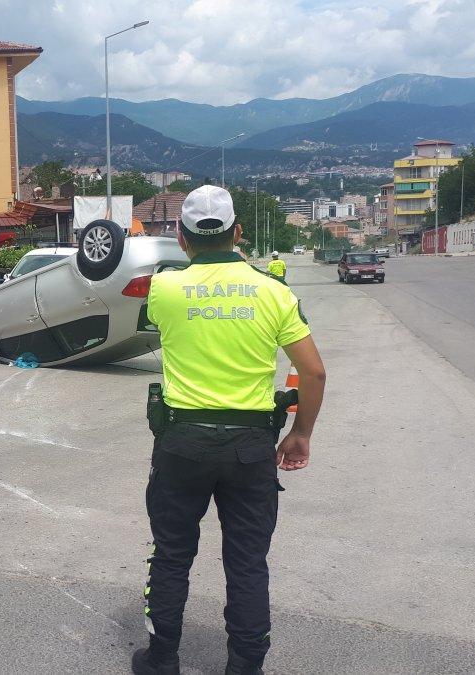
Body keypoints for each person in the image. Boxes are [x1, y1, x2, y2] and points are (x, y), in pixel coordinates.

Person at [133, 185, 327, 675]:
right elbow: (314, 371)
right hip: (250, 448)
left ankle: (161, 660)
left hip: (181, 443)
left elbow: (147, 317)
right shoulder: (275, 291)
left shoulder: (165, 288)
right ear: (238, 232)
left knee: (172, 556)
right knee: (246, 563)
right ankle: (245, 665)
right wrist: (300, 433)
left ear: (181, 237)